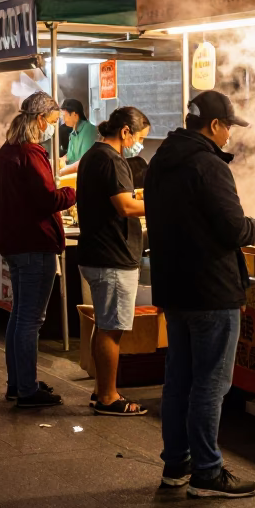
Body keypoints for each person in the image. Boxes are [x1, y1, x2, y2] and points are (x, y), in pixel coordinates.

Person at [146, 89, 255, 498]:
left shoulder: (161, 159)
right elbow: (232, 229)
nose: (230, 134)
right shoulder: (208, 165)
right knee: (211, 383)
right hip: (212, 290)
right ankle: (208, 472)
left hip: (174, 287)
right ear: (214, 125)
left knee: (179, 379)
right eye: (228, 126)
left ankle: (176, 464)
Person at [0, 92, 77, 408]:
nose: (53, 128)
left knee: (20, 315)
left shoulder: (7, 151)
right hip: (33, 243)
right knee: (30, 319)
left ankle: (19, 382)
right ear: (40, 119)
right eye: (53, 121)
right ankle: (27, 389)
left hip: (14, 242)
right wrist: (73, 191)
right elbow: (48, 199)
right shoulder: (30, 152)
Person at [76, 105, 150, 416]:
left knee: (105, 324)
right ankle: (108, 396)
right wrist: (163, 202)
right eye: (140, 137)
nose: (140, 144)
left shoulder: (94, 154)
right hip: (112, 256)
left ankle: (100, 390)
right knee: (111, 328)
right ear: (125, 132)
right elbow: (125, 206)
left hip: (97, 252)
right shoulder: (111, 159)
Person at [61, 99, 97, 165]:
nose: (63, 120)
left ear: (74, 114)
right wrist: (62, 160)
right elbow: (70, 156)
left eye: (65, 116)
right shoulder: (73, 133)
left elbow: (85, 161)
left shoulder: (89, 130)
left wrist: (62, 172)